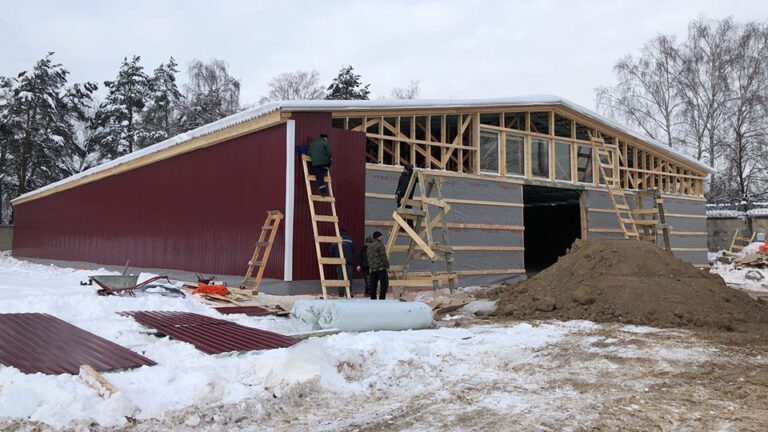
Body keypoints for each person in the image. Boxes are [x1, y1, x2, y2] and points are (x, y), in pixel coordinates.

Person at [328, 229, 356, 297]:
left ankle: (341, 294)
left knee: (341, 278)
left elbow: (331, 251)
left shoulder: (335, 239)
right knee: (349, 278)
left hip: (339, 262)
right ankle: (348, 293)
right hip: (349, 262)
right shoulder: (350, 239)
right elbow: (354, 249)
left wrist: (334, 256)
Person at [366, 231, 389, 300]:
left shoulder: (369, 246)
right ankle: (382, 298)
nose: (382, 237)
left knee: (373, 285)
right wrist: (387, 265)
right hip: (380, 268)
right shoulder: (380, 245)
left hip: (373, 269)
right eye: (381, 236)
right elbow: (383, 257)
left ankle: (373, 298)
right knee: (383, 284)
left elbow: (368, 257)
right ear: (378, 237)